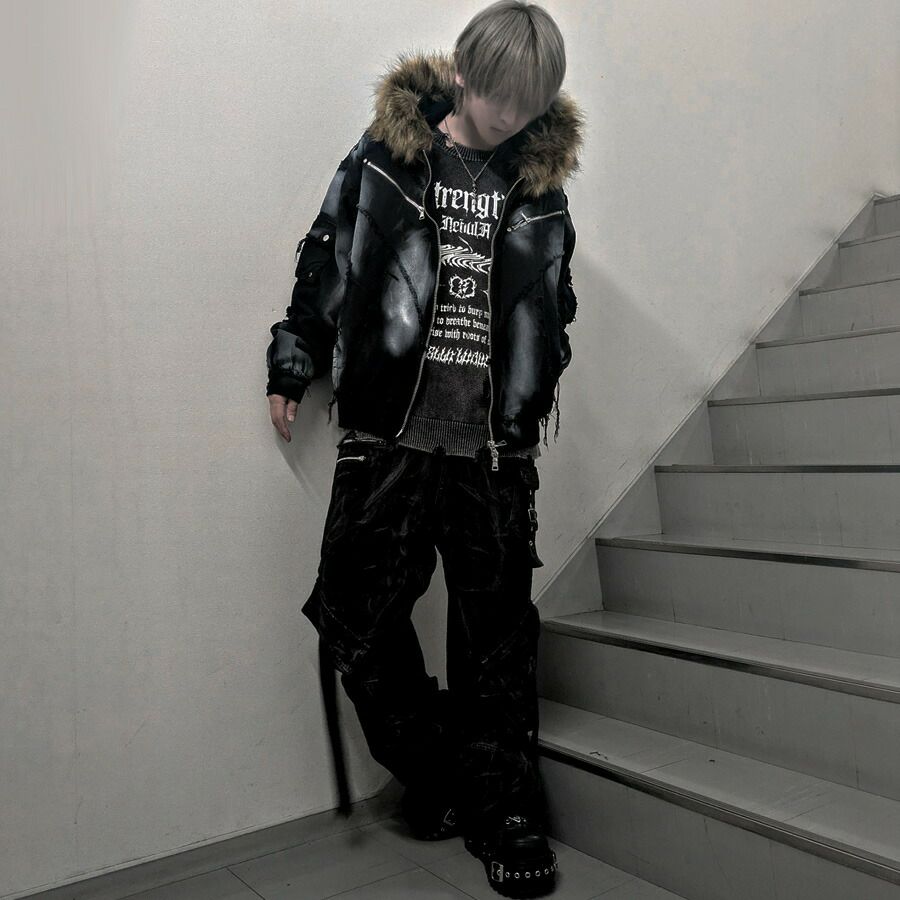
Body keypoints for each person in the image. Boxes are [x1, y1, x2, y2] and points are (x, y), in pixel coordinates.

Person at [266, 2, 584, 895]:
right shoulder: (388, 158)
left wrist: (537, 383)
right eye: (497, 94)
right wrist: (295, 358)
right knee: (353, 619)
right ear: (463, 72)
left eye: (527, 103)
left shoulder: (542, 191)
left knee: (496, 641)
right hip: (388, 439)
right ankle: (441, 772)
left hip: (491, 454)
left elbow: (553, 305)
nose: (508, 116)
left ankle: (505, 810)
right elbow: (329, 255)